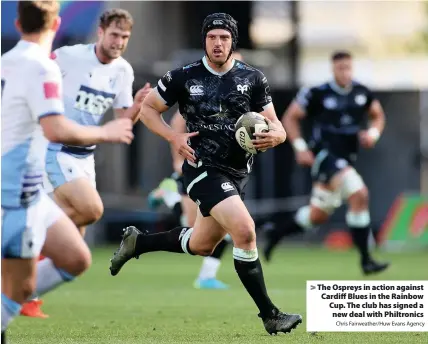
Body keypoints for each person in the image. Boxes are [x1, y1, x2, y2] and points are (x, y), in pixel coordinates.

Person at [109, 13, 303, 335]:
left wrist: (277, 136)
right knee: (244, 231)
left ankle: (138, 243)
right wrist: (173, 137)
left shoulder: (253, 78)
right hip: (202, 170)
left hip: (238, 173)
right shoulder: (182, 77)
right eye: (212, 37)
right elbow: (147, 111)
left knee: (201, 244)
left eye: (224, 38)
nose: (217, 43)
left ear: (233, 42)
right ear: (204, 40)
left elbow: (277, 124)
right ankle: (270, 314)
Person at [1, 1, 134, 341]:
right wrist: (105, 133)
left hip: (36, 185)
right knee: (20, 284)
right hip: (16, 188)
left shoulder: (8, 63)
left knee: (75, 256)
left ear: (17, 24)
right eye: (114, 34)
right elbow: (56, 129)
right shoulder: (46, 66)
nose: (119, 41)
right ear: (57, 24)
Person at [20, 8, 151, 317]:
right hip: (55, 147)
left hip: (85, 157)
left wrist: (135, 108)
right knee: (91, 209)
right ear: (101, 33)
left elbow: (122, 122)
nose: (119, 41)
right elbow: (36, 79)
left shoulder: (123, 71)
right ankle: (21, 242)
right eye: (115, 34)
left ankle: (25, 292)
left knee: (73, 244)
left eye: (125, 37)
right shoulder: (68, 56)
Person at [263, 50, 389, 275]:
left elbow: (378, 116)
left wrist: (373, 134)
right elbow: (290, 118)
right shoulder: (317, 93)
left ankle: (277, 232)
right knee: (359, 194)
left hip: (347, 158)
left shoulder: (362, 92)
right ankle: (366, 260)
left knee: (317, 214)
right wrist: (300, 148)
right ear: (333, 70)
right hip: (325, 157)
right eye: (341, 68)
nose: (345, 72)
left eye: (348, 68)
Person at [149, 51, 245, 290]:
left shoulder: (241, 93)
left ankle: (206, 277)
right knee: (198, 229)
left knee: (221, 231)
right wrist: (176, 158)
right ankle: (169, 194)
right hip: (198, 166)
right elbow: (176, 123)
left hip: (227, 171)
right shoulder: (202, 90)